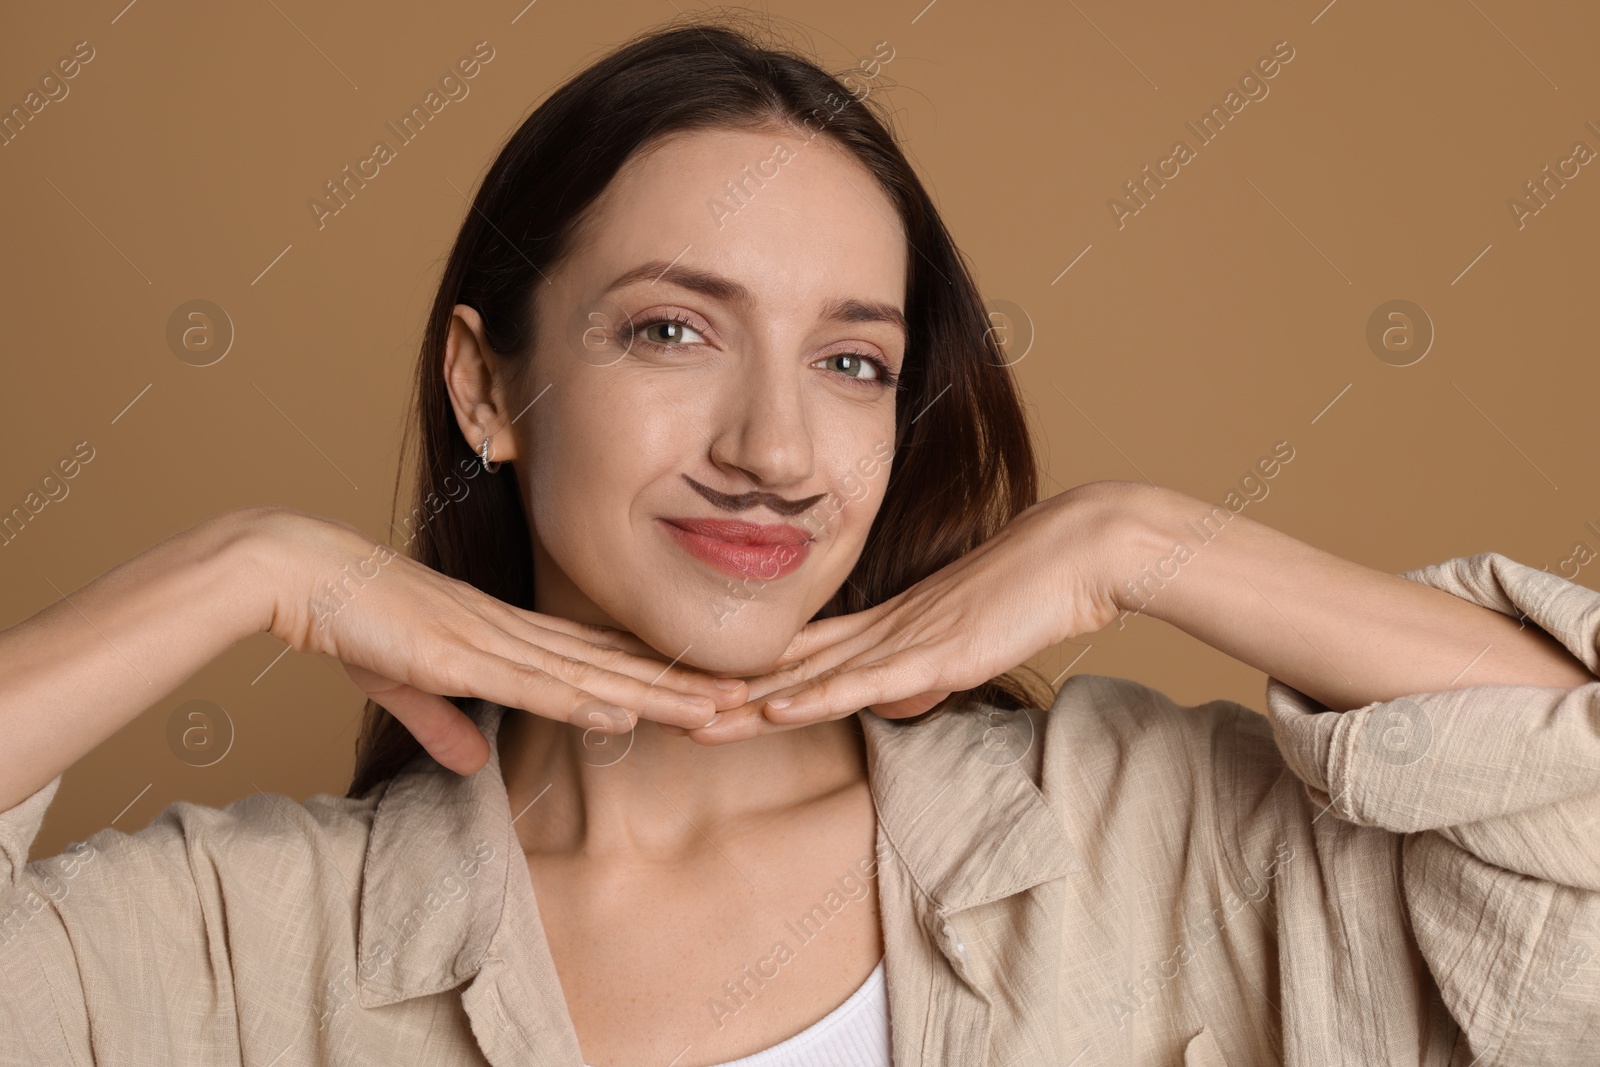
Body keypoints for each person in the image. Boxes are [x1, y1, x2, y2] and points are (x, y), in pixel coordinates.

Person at [3, 16, 1597, 1067]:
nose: (772, 451)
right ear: (488, 387)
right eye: (672, 331)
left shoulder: (1144, 836)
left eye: (852, 363)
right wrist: (236, 573)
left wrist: (1145, 538)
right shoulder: (240, 949)